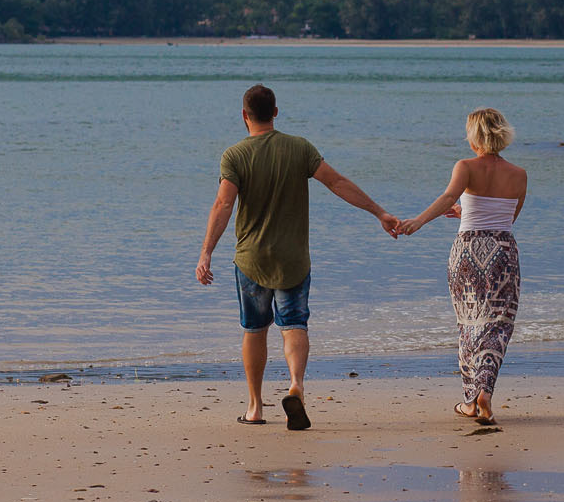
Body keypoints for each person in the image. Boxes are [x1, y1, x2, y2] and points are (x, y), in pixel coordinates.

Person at [196, 84, 399, 429]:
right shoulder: (300, 148)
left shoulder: (235, 155)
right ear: (275, 112)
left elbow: (223, 204)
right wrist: (379, 212)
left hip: (251, 259)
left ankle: (255, 408)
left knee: (254, 329)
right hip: (293, 260)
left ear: (244, 115)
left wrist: (206, 253)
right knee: (294, 325)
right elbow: (337, 183)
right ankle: (295, 385)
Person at [395, 107, 527, 425]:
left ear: (474, 137)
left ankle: (471, 400)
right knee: (498, 323)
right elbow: (506, 217)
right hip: (502, 252)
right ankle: (485, 393)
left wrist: (418, 222)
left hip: (467, 252)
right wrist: (467, 209)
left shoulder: (465, 166)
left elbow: (447, 197)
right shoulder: (520, 174)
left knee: (469, 324)